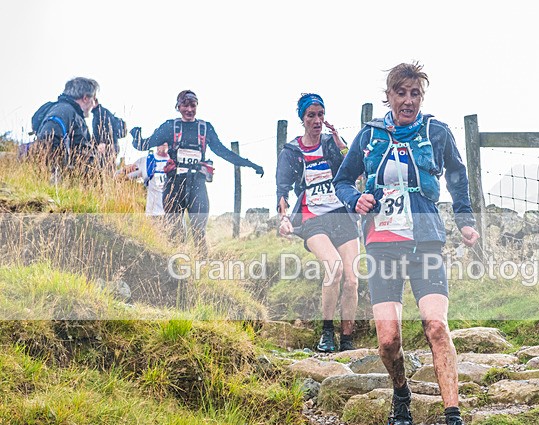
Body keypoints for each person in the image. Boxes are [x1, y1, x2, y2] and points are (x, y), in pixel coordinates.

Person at [333, 62, 480, 425]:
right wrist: (355, 198)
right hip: (382, 244)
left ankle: (454, 420)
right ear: (390, 95)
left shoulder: (436, 131)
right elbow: (343, 180)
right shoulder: (369, 136)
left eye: (415, 94)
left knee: (436, 326)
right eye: (402, 93)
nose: (409, 101)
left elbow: (457, 174)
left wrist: (465, 219)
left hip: (427, 240)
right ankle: (401, 392)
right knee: (388, 340)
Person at [130, 90, 264, 256]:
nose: (189, 110)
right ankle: (176, 268)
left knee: (199, 232)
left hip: (197, 185)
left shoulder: (205, 128)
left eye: (192, 105)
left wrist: (249, 164)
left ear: (197, 106)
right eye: (185, 105)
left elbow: (222, 151)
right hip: (174, 185)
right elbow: (144, 144)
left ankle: (202, 271)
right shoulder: (169, 127)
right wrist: (135, 135)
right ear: (178, 107)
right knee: (175, 233)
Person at [276, 93, 359, 353]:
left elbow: (355, 167)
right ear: (302, 118)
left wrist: (340, 142)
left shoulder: (331, 143)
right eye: (311, 115)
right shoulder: (292, 151)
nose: (317, 120)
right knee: (334, 269)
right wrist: (283, 218)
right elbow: (283, 188)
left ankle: (347, 338)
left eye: (320, 115)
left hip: (341, 215)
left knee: (352, 280)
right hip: (313, 219)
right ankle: (326, 333)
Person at [33, 77, 99, 172]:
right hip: (62, 183)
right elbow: (48, 139)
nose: (93, 104)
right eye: (94, 99)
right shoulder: (63, 111)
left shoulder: (71, 113)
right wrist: (60, 172)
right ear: (85, 98)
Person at [118, 142, 170, 217]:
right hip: (153, 214)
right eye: (161, 139)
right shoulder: (146, 161)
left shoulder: (176, 161)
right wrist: (123, 171)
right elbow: (121, 176)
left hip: (173, 215)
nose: (163, 143)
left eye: (167, 139)